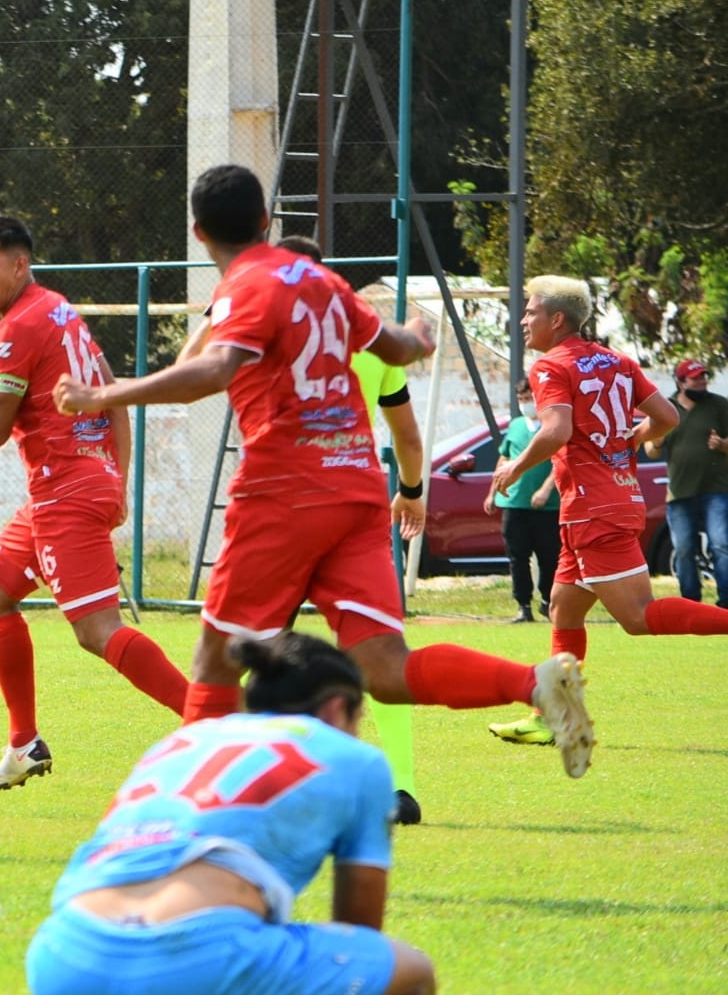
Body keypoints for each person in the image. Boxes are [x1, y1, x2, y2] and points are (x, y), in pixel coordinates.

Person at [54, 163, 594, 779]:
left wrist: (105, 395)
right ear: (264, 220)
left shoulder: (245, 287)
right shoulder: (322, 281)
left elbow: (212, 370)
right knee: (385, 669)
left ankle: (187, 815)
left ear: (199, 232)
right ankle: (535, 682)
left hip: (283, 494)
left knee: (215, 661)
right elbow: (394, 347)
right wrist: (418, 338)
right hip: (357, 490)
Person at [0, 213, 189, 792]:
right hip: (69, 487)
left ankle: (215, 721)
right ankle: (23, 743)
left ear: (20, 265)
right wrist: (116, 476)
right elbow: (113, 398)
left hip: (65, 492)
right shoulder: (62, 310)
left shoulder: (16, 329)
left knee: (97, 631)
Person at [25, 630, 437, 995]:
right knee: (412, 973)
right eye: (357, 716)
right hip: (201, 955)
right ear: (334, 709)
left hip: (63, 951)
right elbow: (359, 931)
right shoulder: (356, 759)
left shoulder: (182, 742)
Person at [180, 232, 425, 825]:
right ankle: (401, 784)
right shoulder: (358, 333)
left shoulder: (260, 319)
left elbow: (192, 370)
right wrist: (412, 491)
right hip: (353, 497)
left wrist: (220, 310)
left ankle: (231, 782)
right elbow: (408, 437)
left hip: (282, 501)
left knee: (240, 656)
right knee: (377, 653)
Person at [488, 277, 728, 742]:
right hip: (615, 499)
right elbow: (669, 418)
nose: (523, 319)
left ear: (556, 320)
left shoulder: (549, 366)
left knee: (638, 619)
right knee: (563, 609)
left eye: (531, 311)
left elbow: (556, 431)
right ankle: (554, 718)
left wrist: (515, 468)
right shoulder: (616, 360)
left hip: (591, 508)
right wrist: (636, 437)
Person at [642, 359, 728, 606]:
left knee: (721, 545)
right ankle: (691, 603)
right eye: (695, 378)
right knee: (683, 549)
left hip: (718, 491)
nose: (701, 381)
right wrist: (657, 441)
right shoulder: (665, 408)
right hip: (679, 493)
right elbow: (651, 451)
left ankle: (725, 605)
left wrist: (722, 445)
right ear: (680, 382)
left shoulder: (719, 405)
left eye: (703, 377)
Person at [483, 378, 560, 625]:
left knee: (549, 555)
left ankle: (548, 600)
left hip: (547, 506)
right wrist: (493, 491)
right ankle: (523, 605)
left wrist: (546, 490)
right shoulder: (515, 426)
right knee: (517, 555)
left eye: (530, 398)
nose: (526, 404)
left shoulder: (553, 426)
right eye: (522, 400)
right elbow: (504, 458)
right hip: (515, 504)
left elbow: (562, 462)